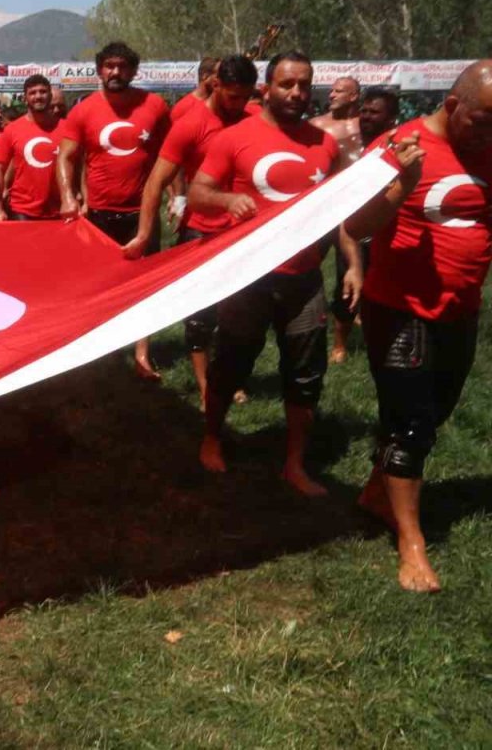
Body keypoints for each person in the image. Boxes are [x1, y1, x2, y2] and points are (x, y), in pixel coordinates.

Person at [344, 61, 492, 592]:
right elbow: (355, 226)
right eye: (483, 121)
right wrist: (401, 185)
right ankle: (412, 542)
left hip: (462, 309)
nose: (489, 134)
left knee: (436, 411)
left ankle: (376, 490)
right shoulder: (398, 144)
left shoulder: (487, 149)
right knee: (411, 424)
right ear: (452, 106)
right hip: (402, 309)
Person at [188, 51, 363, 496]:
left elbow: (340, 210)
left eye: (304, 85)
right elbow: (196, 194)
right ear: (266, 88)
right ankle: (211, 437)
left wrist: (354, 265)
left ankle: (294, 463)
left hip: (305, 280)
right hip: (249, 277)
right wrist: (227, 202)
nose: (296, 93)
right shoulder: (235, 137)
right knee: (232, 363)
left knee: (306, 373)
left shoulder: (322, 144)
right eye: (287, 84)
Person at [124, 55, 258, 408]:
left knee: (239, 314)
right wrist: (142, 234)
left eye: (245, 97)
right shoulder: (190, 124)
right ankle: (206, 388)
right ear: (214, 86)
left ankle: (230, 377)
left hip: (244, 232)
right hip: (200, 232)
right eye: (232, 97)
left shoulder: (254, 121)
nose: (239, 104)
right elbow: (155, 183)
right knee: (201, 318)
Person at [56, 41, 170, 379]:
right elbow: (65, 156)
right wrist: (68, 195)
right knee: (99, 285)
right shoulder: (83, 110)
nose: (115, 72)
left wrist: (177, 196)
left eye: (121, 66)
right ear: (99, 70)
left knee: (145, 285)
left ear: (134, 70)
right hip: (99, 214)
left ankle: (141, 355)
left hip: (142, 212)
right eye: (108, 66)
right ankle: (100, 350)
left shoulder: (155, 106)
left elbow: (170, 157)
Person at [328, 86, 400, 364]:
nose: (366, 116)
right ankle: (339, 344)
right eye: (365, 111)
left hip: (386, 230)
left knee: (382, 288)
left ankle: (382, 338)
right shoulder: (348, 145)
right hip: (350, 226)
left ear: (391, 118)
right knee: (346, 286)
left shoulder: (398, 145)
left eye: (374, 112)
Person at [0, 74, 68, 221]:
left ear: (50, 95)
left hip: (60, 210)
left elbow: (81, 165)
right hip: (22, 211)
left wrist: (79, 198)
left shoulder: (66, 128)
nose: (38, 96)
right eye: (32, 93)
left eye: (43, 92)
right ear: (25, 98)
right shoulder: (12, 130)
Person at [310, 76, 363, 162]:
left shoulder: (367, 123)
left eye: (338, 91)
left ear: (353, 96)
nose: (331, 95)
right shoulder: (317, 124)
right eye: (331, 91)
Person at [170, 57, 220, 123]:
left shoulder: (222, 105)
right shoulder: (183, 108)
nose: (223, 79)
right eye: (219, 75)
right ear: (205, 77)